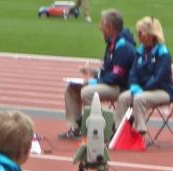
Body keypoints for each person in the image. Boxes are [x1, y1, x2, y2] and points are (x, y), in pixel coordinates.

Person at [58, 9, 136, 140]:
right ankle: (76, 127)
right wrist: (93, 72)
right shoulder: (113, 44)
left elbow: (116, 77)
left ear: (109, 26)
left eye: (102, 25)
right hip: (112, 83)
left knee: (87, 92)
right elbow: (109, 72)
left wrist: (91, 82)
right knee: (71, 88)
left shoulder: (123, 47)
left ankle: (111, 121)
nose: (100, 28)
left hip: (121, 87)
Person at [113, 16, 173, 136]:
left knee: (139, 99)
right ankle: (118, 131)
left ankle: (140, 132)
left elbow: (158, 78)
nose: (138, 34)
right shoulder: (140, 51)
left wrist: (141, 91)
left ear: (150, 35)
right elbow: (133, 73)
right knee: (123, 98)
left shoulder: (162, 53)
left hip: (163, 90)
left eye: (141, 32)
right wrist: (134, 88)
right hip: (142, 89)